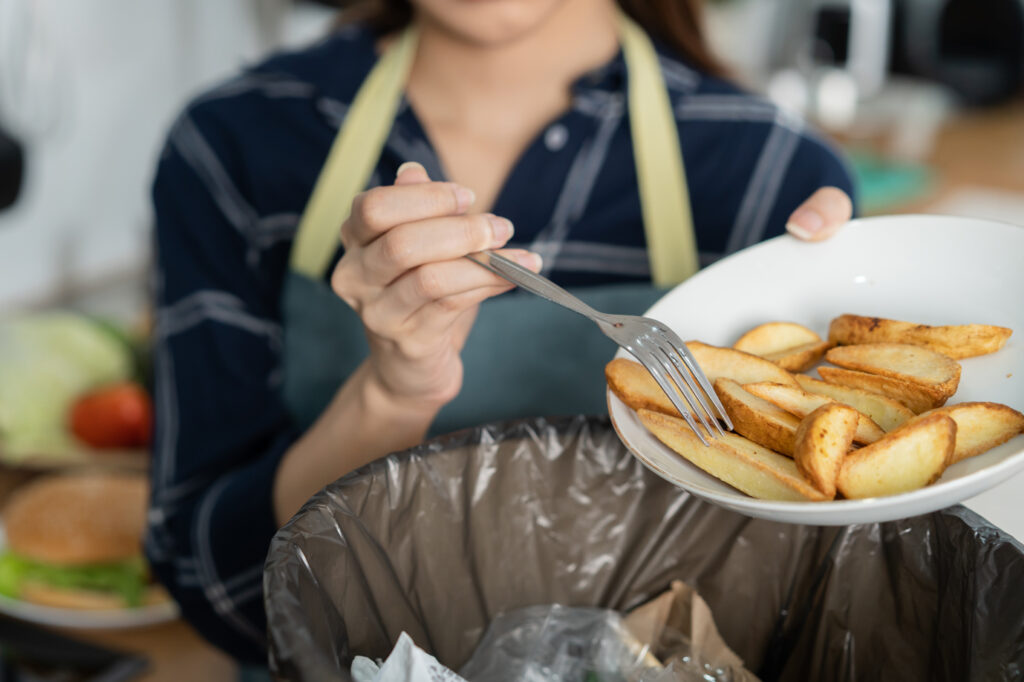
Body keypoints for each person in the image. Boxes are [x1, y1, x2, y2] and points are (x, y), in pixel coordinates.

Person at [146, 0, 855, 665]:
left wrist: (869, 371)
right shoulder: (237, 145)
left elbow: (822, 600)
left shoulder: (774, 177)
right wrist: (394, 392)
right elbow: (222, 592)